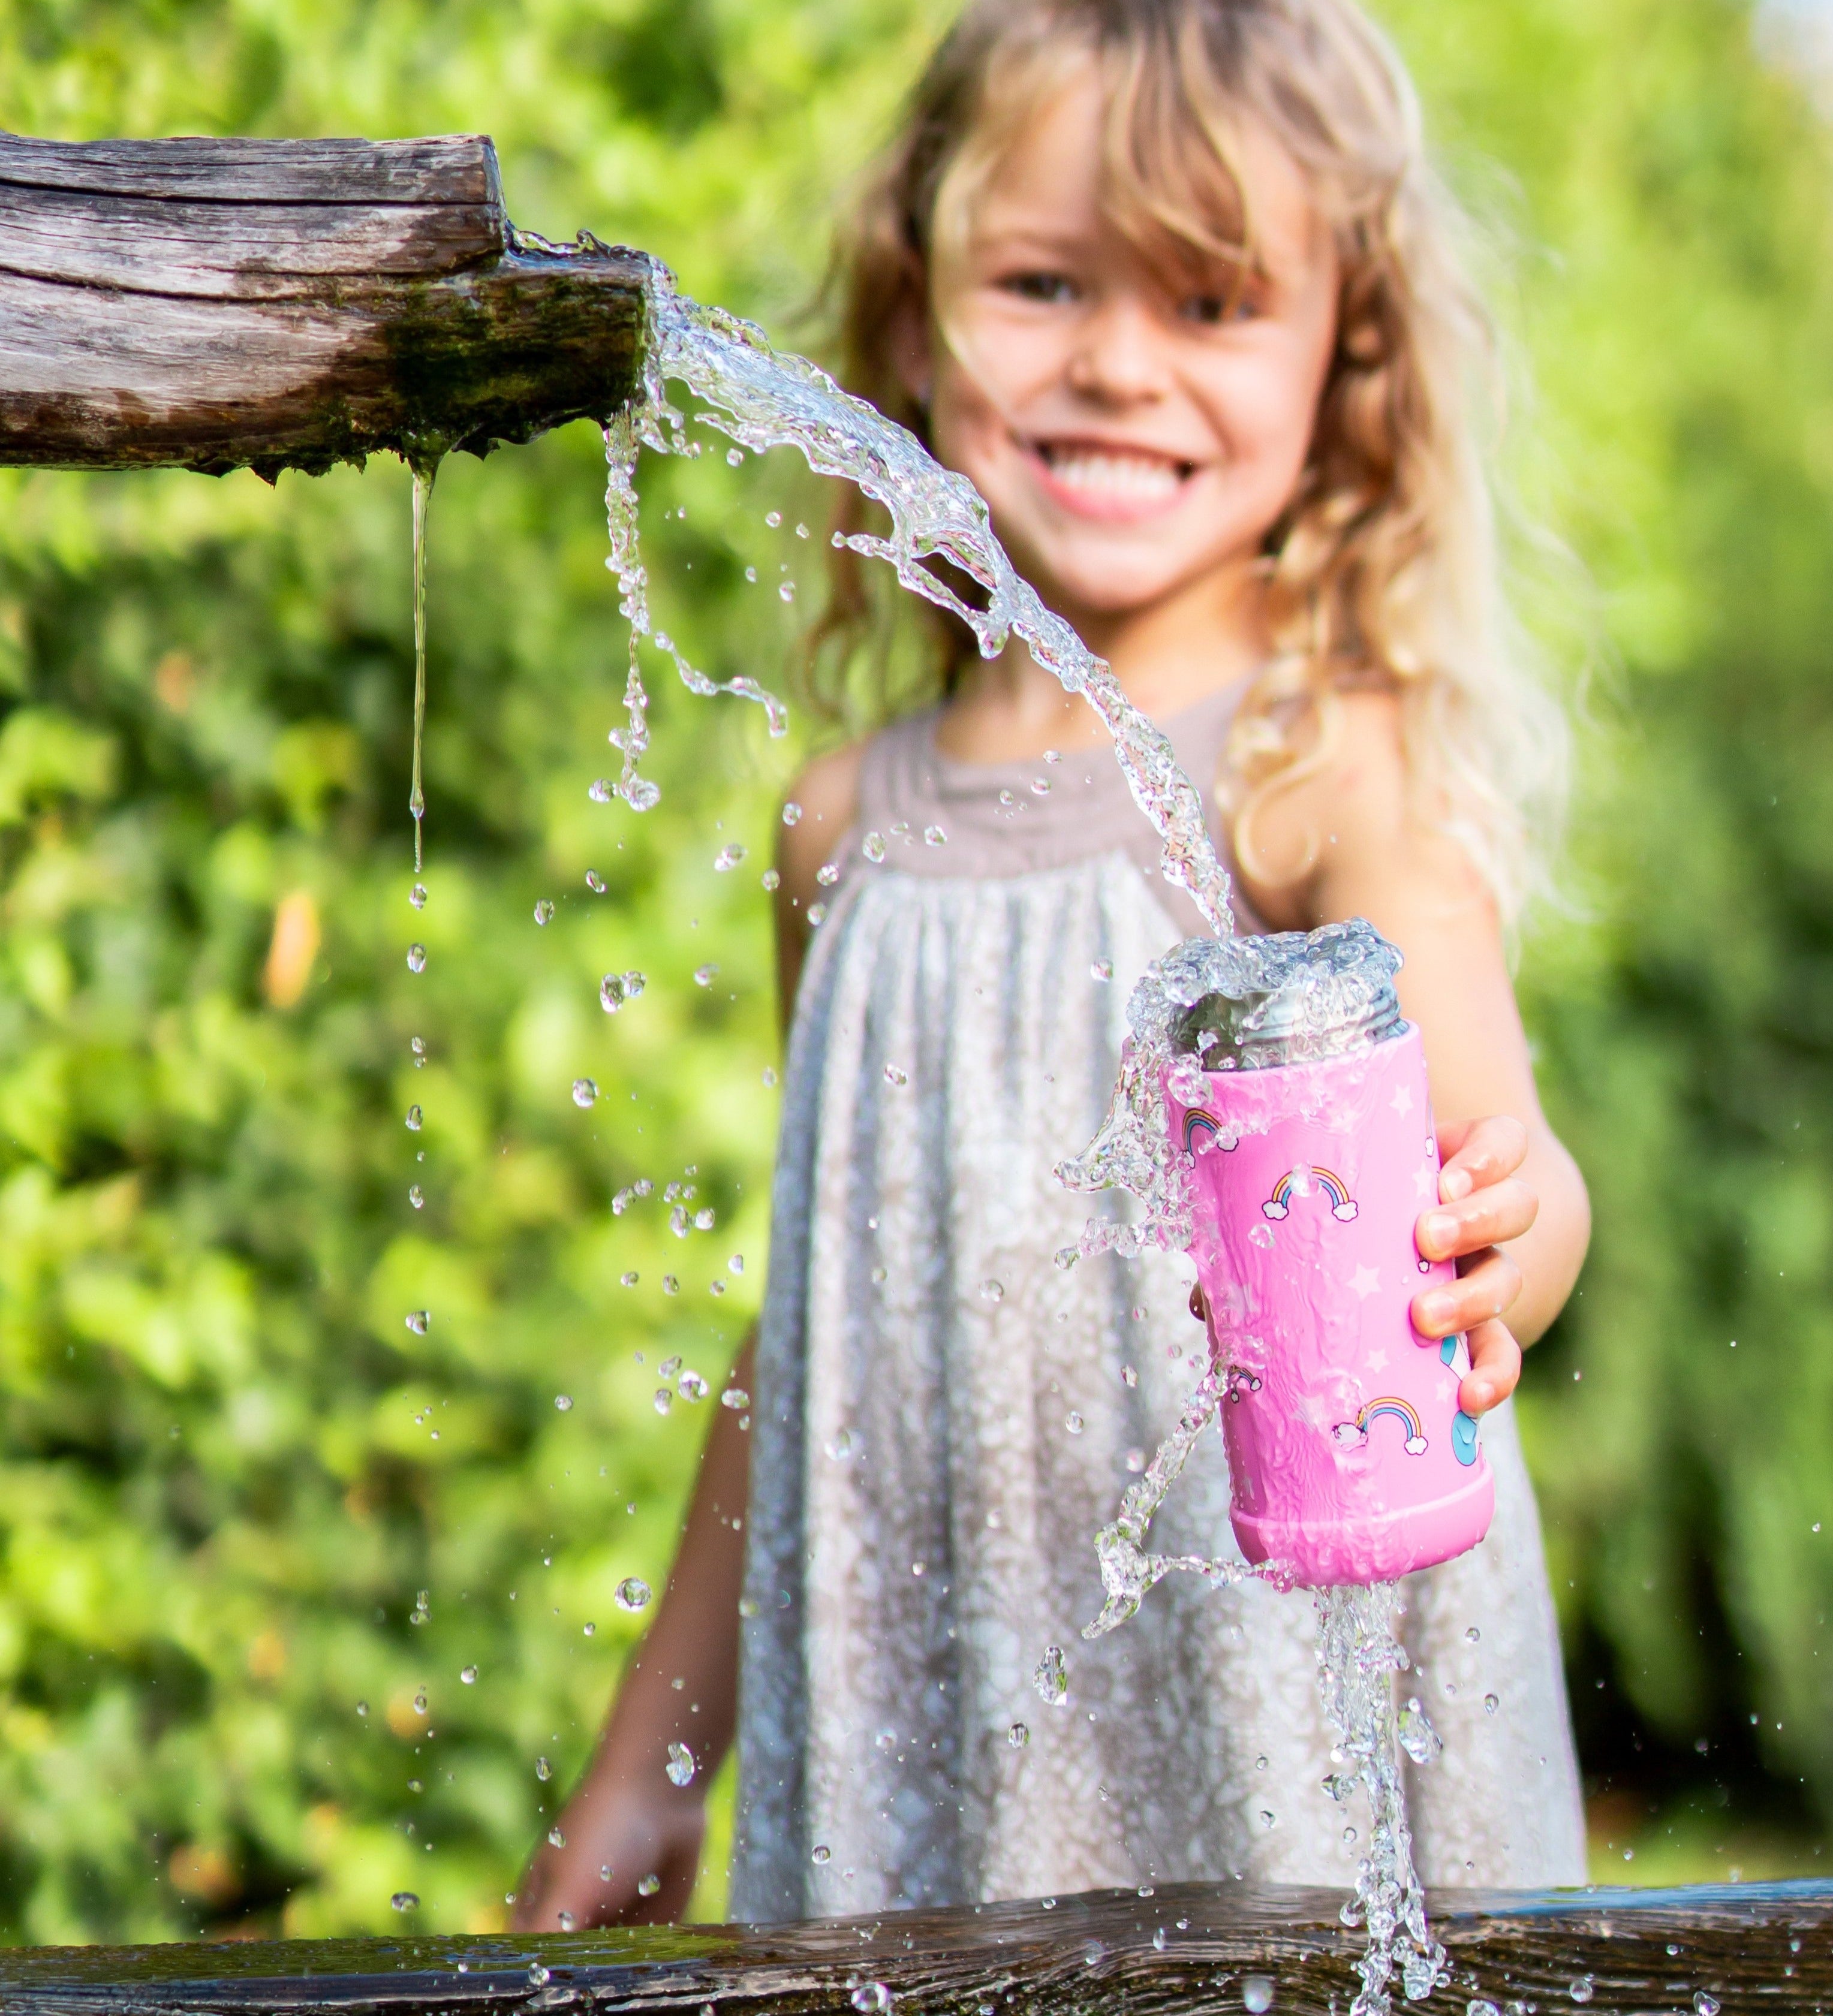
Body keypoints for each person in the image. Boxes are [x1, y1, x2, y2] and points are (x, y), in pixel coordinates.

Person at [515, 0, 1590, 1932]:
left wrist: (1523, 1219)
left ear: (1342, 354)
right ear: (914, 311)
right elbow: (806, 1335)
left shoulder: (1320, 759)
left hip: (1270, 1728)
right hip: (938, 1720)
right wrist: (649, 1760)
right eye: (1040, 281)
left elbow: (1485, 1123)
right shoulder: (842, 820)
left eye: (1206, 305)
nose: (1113, 364)